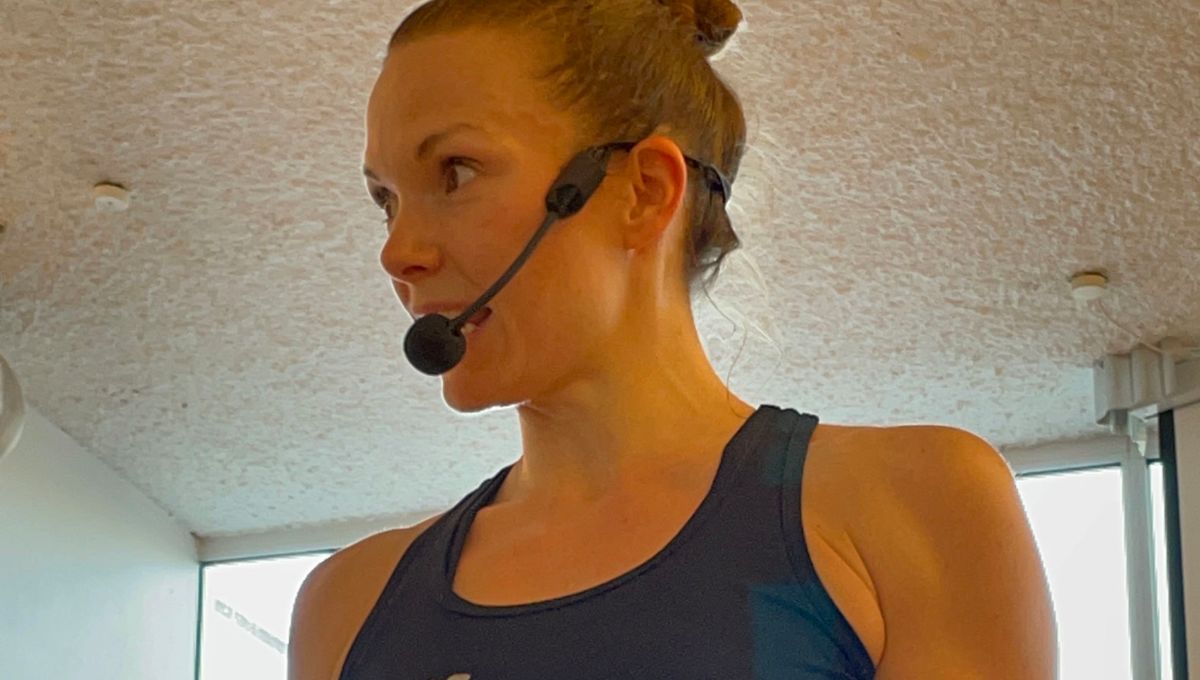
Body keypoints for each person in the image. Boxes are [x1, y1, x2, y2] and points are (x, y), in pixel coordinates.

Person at [289, 1, 1057, 678]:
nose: (398, 252)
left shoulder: (915, 507)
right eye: (386, 200)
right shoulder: (346, 608)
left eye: (455, 173)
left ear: (644, 192)